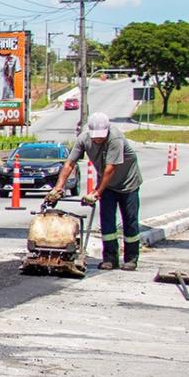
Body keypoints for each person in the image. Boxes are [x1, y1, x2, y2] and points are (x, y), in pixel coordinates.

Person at [45, 112, 142, 271]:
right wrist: (58, 188)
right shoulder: (83, 139)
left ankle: (131, 258)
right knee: (107, 221)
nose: (98, 139)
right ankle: (110, 259)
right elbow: (69, 164)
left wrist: (96, 193)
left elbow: (110, 169)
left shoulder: (115, 139)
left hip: (128, 183)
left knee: (130, 221)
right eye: (95, 136)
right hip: (108, 186)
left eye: (101, 136)